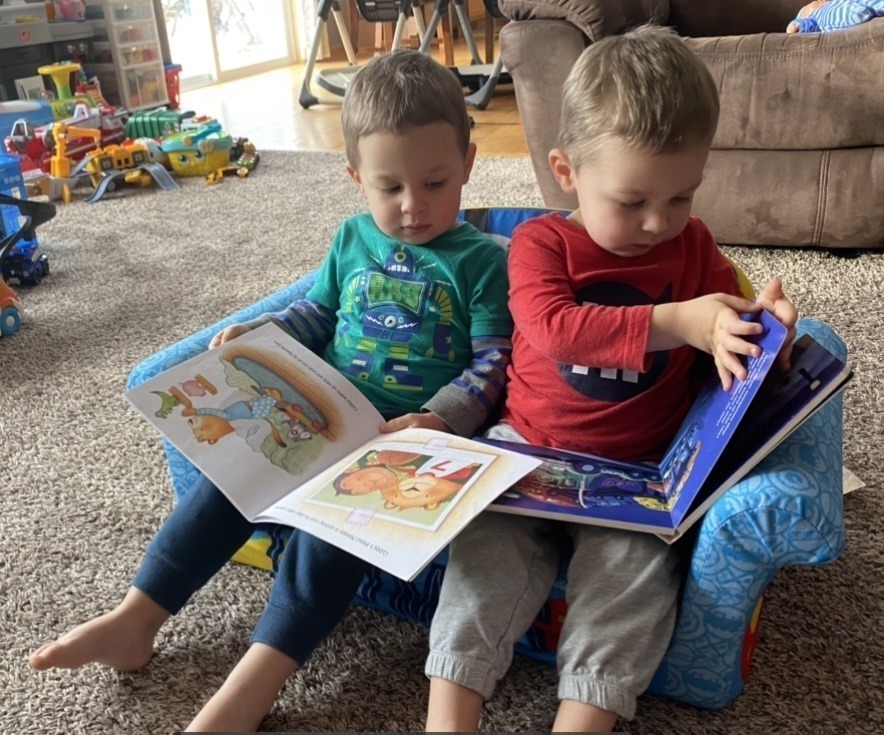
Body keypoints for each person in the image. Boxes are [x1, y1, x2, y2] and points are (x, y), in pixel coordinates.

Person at [28, 49, 513, 733]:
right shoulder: (351, 240)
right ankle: (136, 618)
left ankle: (255, 684)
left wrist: (437, 419)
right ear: (354, 179)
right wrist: (261, 334)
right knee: (224, 483)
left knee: (331, 530)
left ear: (467, 162)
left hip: (404, 446)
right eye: (389, 188)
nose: (412, 207)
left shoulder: (485, 261)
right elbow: (316, 316)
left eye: (435, 182)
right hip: (321, 418)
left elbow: (495, 365)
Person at [423, 24, 798, 733]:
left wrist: (769, 333)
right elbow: (555, 328)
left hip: (635, 477)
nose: (661, 222)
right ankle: (447, 720)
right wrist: (679, 321)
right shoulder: (540, 243)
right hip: (525, 454)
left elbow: (731, 338)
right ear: (566, 171)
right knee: (482, 565)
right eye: (633, 201)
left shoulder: (695, 249)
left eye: (682, 196)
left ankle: (582, 719)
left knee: (629, 588)